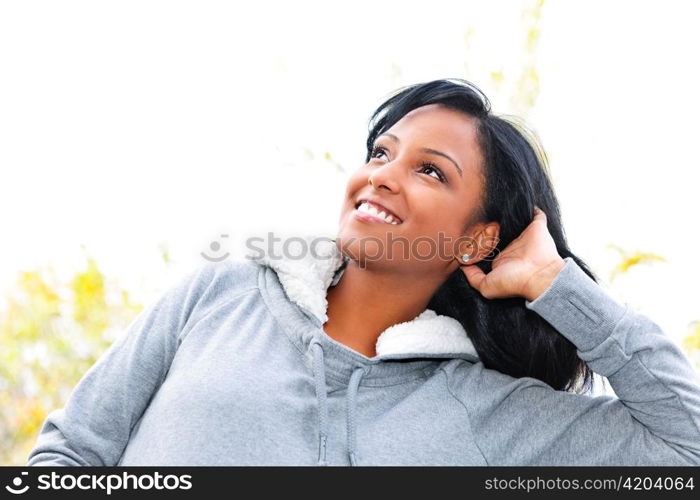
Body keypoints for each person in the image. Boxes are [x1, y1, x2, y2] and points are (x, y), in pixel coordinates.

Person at [27, 78, 700, 466]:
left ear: (477, 239)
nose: (382, 178)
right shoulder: (223, 296)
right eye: (383, 152)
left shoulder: (492, 413)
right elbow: (72, 454)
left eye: (430, 170)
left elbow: (684, 446)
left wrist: (559, 286)